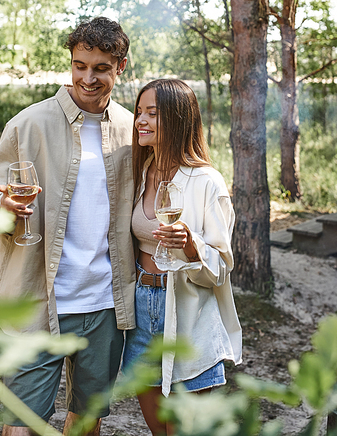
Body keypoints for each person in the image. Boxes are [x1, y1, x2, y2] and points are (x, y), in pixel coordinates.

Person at [0, 17, 135, 436]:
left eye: (101, 68)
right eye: (80, 65)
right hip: (37, 300)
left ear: (120, 67)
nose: (88, 77)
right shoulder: (28, 124)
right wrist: (5, 206)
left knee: (86, 419)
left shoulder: (129, 130)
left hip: (105, 302)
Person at [123, 78, 242, 436]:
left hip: (188, 313)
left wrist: (191, 246)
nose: (140, 121)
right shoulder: (142, 172)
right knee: (158, 427)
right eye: (139, 112)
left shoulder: (207, 182)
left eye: (152, 114)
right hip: (142, 305)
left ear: (176, 120)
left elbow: (220, 267)